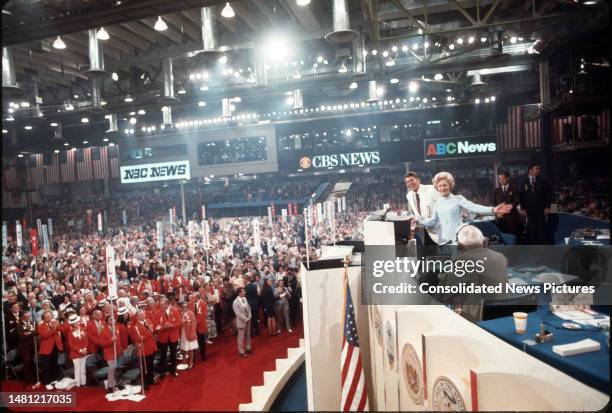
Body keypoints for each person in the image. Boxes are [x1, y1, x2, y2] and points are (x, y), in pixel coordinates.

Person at [434, 225, 509, 322]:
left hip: (478, 321)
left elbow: (445, 296)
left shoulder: (462, 262)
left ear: (460, 246)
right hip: (504, 316)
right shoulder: (501, 257)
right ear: (484, 241)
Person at [418, 172, 512, 244]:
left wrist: (493, 209)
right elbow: (432, 222)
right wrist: (418, 220)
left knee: (461, 264)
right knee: (447, 266)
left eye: (445, 185)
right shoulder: (437, 203)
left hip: (459, 235)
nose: (442, 188)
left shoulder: (458, 198)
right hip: (443, 238)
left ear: (450, 186)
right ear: (437, 188)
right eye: (440, 186)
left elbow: (474, 207)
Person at [404, 171, 441, 244]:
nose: (410, 183)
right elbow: (417, 212)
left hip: (438, 229)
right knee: (429, 253)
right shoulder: (409, 195)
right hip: (423, 231)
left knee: (442, 254)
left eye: (412, 180)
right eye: (407, 182)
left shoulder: (431, 189)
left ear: (418, 180)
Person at [520, 163, 552, 244]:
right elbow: (521, 196)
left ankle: (542, 248)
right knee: (532, 230)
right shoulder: (523, 182)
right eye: (536, 169)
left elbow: (547, 195)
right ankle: (534, 248)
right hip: (529, 211)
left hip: (541, 210)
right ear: (530, 170)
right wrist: (523, 208)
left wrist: (547, 207)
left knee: (542, 230)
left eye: (539, 169)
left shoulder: (543, 181)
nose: (539, 171)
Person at [37, 310, 63, 390]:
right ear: (43, 318)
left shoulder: (54, 323)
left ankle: (54, 379)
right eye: (47, 317)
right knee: (46, 366)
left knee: (54, 364)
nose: (49, 318)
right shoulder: (41, 326)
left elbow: (61, 329)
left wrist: (56, 326)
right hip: (46, 349)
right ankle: (47, 382)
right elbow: (45, 335)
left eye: (50, 316)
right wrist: (53, 330)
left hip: (55, 347)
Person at [156, 296, 181, 377]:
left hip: (173, 336)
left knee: (173, 354)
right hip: (163, 337)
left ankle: (173, 370)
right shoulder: (158, 313)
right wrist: (163, 327)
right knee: (163, 355)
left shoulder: (175, 310)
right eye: (160, 305)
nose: (161, 306)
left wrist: (171, 325)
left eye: (162, 305)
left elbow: (179, 323)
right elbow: (156, 325)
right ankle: (163, 371)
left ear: (167, 304)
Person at [493, 170, 522, 239]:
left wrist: (502, 211)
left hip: (512, 218)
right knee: (502, 238)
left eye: (503, 178)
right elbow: (494, 203)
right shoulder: (496, 190)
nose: (501, 181)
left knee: (513, 238)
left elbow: (515, 202)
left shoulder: (515, 189)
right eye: (499, 179)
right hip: (500, 219)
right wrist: (497, 213)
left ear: (507, 178)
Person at [66, 313, 88, 387]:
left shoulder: (83, 330)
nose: (77, 323)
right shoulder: (70, 332)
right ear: (72, 324)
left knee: (83, 368)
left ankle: (83, 383)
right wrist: (80, 350)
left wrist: (84, 349)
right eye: (75, 323)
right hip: (75, 353)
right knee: (77, 369)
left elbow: (86, 341)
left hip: (84, 352)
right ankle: (77, 384)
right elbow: (71, 344)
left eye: (77, 322)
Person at [17, 311, 37, 388]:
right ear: (22, 317)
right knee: (27, 361)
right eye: (26, 316)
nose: (28, 318)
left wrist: (28, 333)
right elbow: (21, 337)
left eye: (29, 316)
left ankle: (32, 377)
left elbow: (36, 333)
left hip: (33, 346)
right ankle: (26, 379)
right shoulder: (19, 325)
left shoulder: (33, 323)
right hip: (24, 348)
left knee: (32, 362)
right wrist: (32, 333)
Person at [232, 287, 252, 358]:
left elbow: (248, 308)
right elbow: (237, 314)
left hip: (248, 320)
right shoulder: (235, 302)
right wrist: (245, 319)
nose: (245, 292)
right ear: (239, 293)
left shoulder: (245, 299)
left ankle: (248, 347)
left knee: (248, 335)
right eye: (243, 291)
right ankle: (241, 351)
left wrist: (249, 316)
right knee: (240, 337)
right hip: (241, 321)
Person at [179, 302, 198, 370]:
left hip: (190, 333)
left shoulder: (191, 314)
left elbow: (194, 324)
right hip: (183, 334)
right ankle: (184, 361)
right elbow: (179, 324)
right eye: (183, 307)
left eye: (186, 306)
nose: (184, 308)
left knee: (190, 349)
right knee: (184, 349)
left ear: (188, 307)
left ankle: (191, 363)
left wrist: (192, 334)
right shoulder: (181, 314)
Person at [192, 292, 208, 361]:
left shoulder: (203, 304)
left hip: (200, 327)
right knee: (193, 343)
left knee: (202, 342)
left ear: (197, 297)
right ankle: (193, 358)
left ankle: (203, 356)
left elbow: (204, 316)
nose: (192, 298)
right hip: (192, 328)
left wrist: (195, 323)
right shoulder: (190, 304)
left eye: (193, 297)